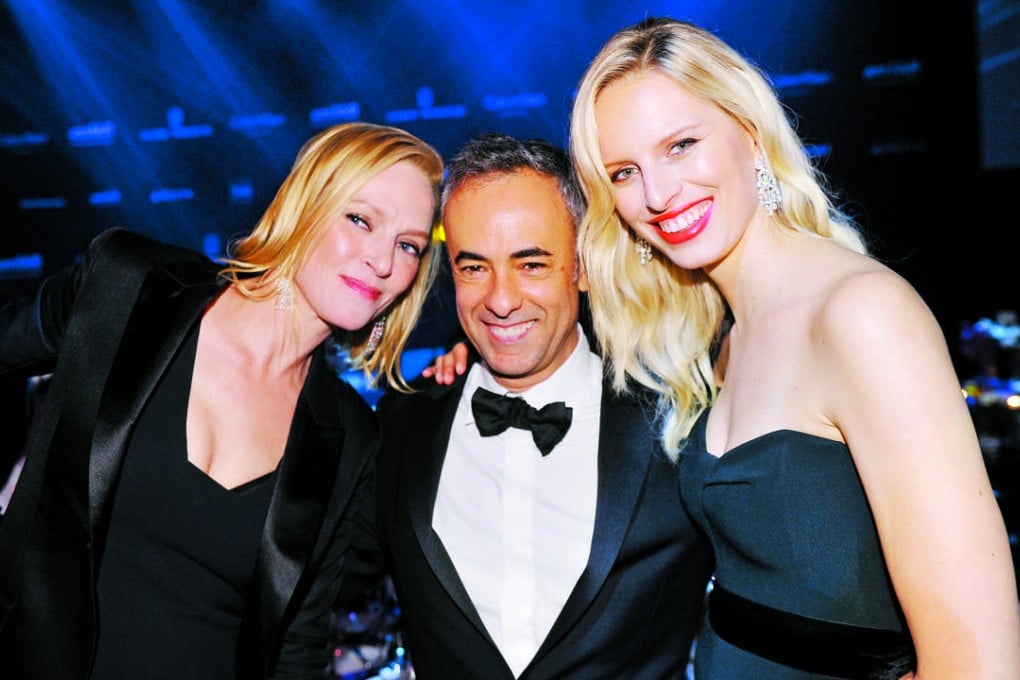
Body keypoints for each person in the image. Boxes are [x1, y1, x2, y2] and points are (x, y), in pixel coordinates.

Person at [568, 16, 1020, 679]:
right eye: (625, 172)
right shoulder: (721, 335)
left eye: (681, 145)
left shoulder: (861, 315)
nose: (658, 194)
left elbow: (979, 665)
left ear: (749, 135)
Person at [0, 121, 444, 679]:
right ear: (306, 205)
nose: (383, 262)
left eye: (408, 246)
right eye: (361, 220)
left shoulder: (350, 435)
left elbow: (296, 648)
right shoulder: (131, 286)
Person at [358, 132, 714, 679]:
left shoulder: (681, 421)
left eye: (531, 264)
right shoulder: (402, 426)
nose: (500, 300)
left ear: (584, 266)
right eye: (473, 267)